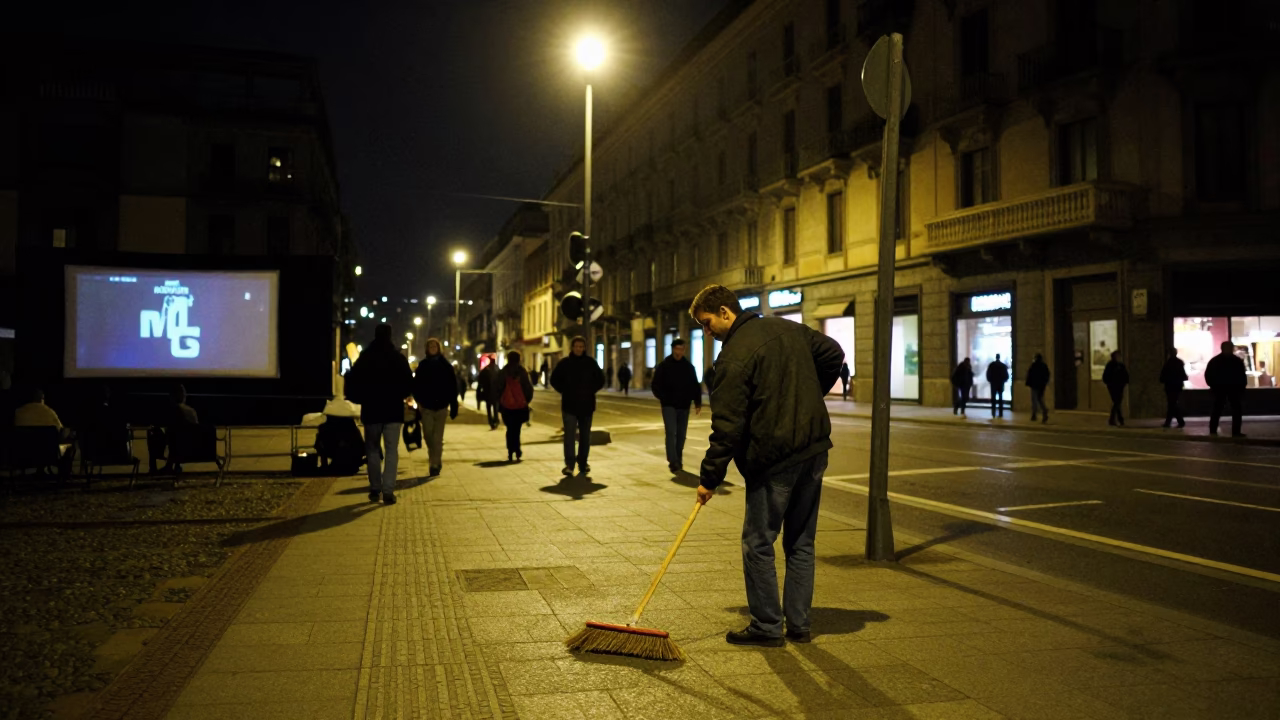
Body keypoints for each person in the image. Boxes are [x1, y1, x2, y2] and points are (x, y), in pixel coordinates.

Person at [690, 285, 844, 647]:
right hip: (813, 450)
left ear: (726, 312)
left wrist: (709, 478)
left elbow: (727, 427)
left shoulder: (731, 360)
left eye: (708, 323)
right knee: (801, 542)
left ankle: (766, 625)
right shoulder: (789, 328)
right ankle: (800, 624)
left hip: (773, 459)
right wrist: (809, 394)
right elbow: (833, 354)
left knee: (758, 543)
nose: (707, 333)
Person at [345, 323, 413, 504]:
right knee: (392, 451)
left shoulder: (366, 357)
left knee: (372, 450)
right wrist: (400, 394)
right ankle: (388, 490)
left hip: (372, 410)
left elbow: (353, 380)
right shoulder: (397, 358)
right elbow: (408, 383)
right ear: (390, 336)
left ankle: (375, 487)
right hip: (392, 411)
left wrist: (360, 398)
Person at [551, 336, 605, 476]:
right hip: (569, 405)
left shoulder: (590, 363)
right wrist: (565, 390)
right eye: (577, 346)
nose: (579, 349)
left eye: (581, 347)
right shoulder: (565, 364)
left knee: (585, 436)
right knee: (569, 436)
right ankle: (569, 464)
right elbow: (554, 380)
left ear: (584, 348)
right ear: (572, 348)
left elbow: (600, 379)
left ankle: (583, 462)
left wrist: (590, 390)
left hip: (586, 405)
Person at [652, 338, 703, 474]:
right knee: (671, 432)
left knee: (681, 434)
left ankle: (678, 458)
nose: (679, 352)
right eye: (677, 349)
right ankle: (673, 461)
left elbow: (695, 386)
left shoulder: (688, 367)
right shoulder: (664, 366)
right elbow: (655, 384)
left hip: (684, 405)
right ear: (673, 349)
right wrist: (663, 397)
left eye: (682, 349)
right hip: (669, 405)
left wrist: (697, 402)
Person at [412, 338, 459, 477]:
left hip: (441, 407)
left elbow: (452, 387)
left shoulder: (446, 366)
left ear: (439, 348)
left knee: (437, 438)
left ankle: (434, 464)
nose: (433, 347)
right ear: (427, 348)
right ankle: (435, 458)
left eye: (435, 345)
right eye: (430, 345)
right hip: (426, 406)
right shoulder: (423, 365)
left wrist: (453, 405)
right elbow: (416, 385)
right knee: (428, 436)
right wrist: (419, 400)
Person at [13, 385, 76, 477]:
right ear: (42, 399)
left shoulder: (18, 413)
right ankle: (63, 477)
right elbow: (60, 432)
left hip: (23, 455)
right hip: (48, 456)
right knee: (70, 446)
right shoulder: (49, 412)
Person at [149, 384, 200, 474]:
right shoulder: (192, 411)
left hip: (180, 449)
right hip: (193, 448)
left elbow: (172, 432)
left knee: (154, 433)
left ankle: (153, 467)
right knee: (178, 436)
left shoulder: (174, 410)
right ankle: (174, 465)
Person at [494, 351, 534, 461]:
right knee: (517, 429)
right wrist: (526, 400)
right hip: (520, 406)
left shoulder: (503, 372)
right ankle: (517, 450)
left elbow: (497, 388)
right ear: (519, 359)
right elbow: (528, 388)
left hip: (506, 406)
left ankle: (510, 450)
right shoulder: (522, 372)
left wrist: (500, 401)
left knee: (510, 429)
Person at [1205, 341, 1246, 437]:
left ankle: (1213, 430)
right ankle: (1235, 432)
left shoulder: (1215, 361)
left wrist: (1213, 386)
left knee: (1218, 409)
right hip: (1230, 389)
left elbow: (1208, 375)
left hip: (1222, 389)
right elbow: (1242, 376)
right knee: (1233, 410)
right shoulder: (1236, 361)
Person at [1159, 348, 1188, 429]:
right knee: (1173, 404)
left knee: (1172, 404)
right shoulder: (1179, 362)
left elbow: (1163, 376)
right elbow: (1183, 375)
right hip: (1177, 386)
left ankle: (1172, 422)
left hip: (1170, 386)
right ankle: (1178, 421)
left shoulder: (1168, 363)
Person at [1102, 350, 1129, 427]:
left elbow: (1125, 375)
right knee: (1117, 402)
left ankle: (1114, 419)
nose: (1119, 357)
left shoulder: (1121, 365)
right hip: (1113, 387)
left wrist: (1125, 382)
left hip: (1120, 386)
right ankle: (1119, 419)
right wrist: (1110, 383)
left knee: (1117, 403)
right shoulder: (1110, 365)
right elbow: (1106, 376)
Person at [1025, 354, 1050, 423]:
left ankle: (1034, 414)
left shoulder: (1034, 365)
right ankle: (1044, 410)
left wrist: (1028, 383)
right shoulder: (1044, 366)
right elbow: (1047, 375)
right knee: (1040, 399)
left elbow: (1029, 375)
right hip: (1041, 386)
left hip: (1034, 385)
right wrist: (1045, 383)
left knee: (1034, 400)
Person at [476, 359, 500, 429]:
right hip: (495, 393)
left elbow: (480, 383)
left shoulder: (485, 371)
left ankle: (491, 422)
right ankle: (495, 420)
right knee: (495, 408)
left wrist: (478, 394)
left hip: (487, 392)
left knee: (489, 408)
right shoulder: (497, 370)